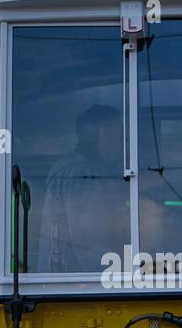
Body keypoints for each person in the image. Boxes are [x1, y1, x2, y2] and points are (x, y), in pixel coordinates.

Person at [37, 105, 126, 271]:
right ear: (103, 133)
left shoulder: (72, 166)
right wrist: (111, 277)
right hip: (79, 285)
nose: (124, 141)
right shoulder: (85, 173)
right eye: (119, 132)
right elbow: (90, 242)